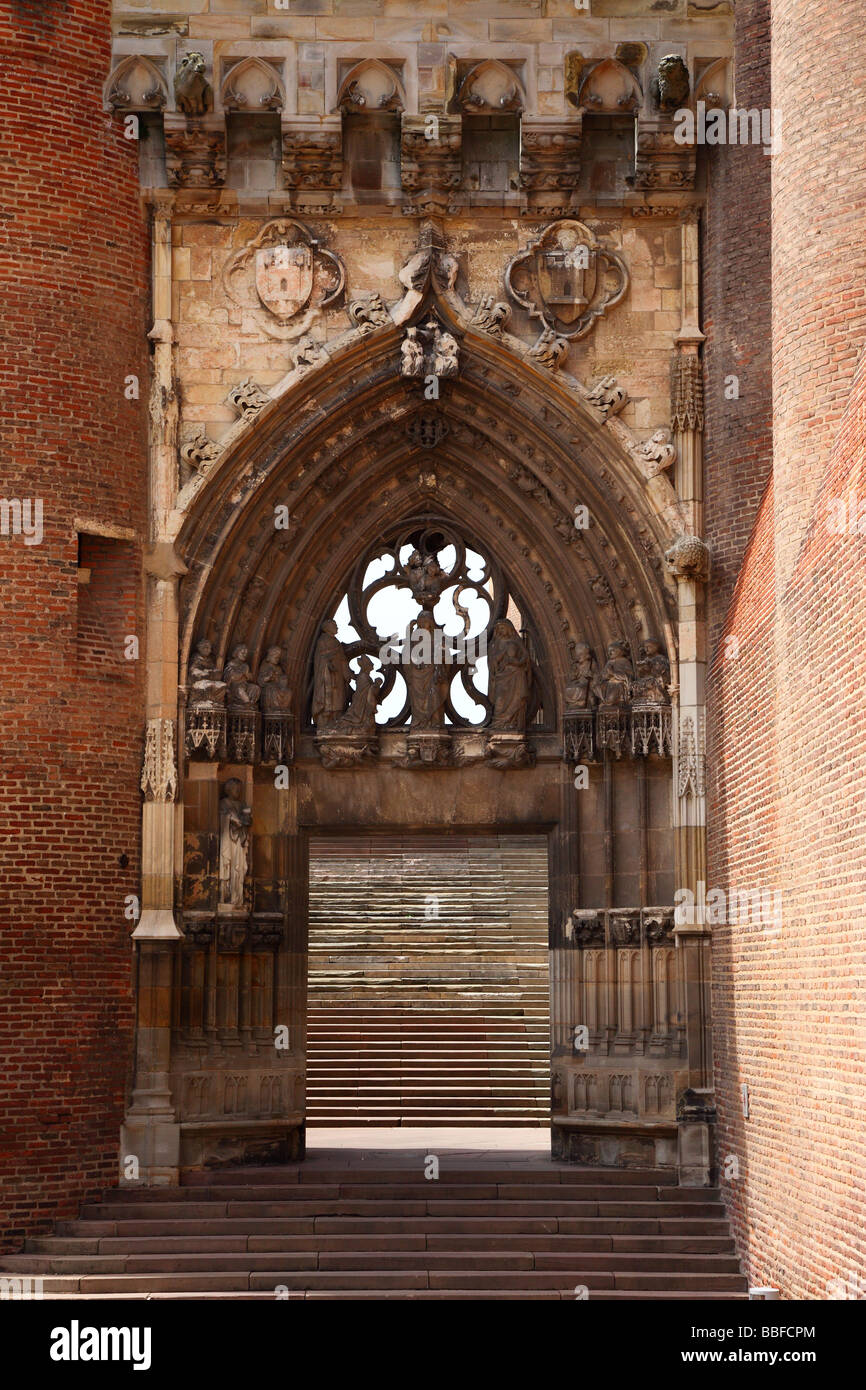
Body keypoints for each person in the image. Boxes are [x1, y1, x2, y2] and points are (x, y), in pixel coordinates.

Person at [488, 619, 533, 731]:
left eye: (503, 628)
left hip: (516, 674)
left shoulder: (516, 641)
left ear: (509, 628)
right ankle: (499, 723)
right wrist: (503, 653)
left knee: (518, 699)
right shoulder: (495, 644)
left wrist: (517, 662)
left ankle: (513, 723)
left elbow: (525, 657)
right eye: (499, 629)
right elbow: (492, 661)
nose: (501, 630)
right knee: (500, 702)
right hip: (502, 677)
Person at [312, 619, 350, 728]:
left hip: (338, 676)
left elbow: (342, 659)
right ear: (327, 628)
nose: (337, 627)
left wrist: (347, 673)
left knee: (338, 699)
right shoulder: (322, 641)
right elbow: (320, 658)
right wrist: (327, 664)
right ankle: (325, 722)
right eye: (334, 625)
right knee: (329, 699)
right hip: (328, 676)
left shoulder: (336, 642)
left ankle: (336, 720)